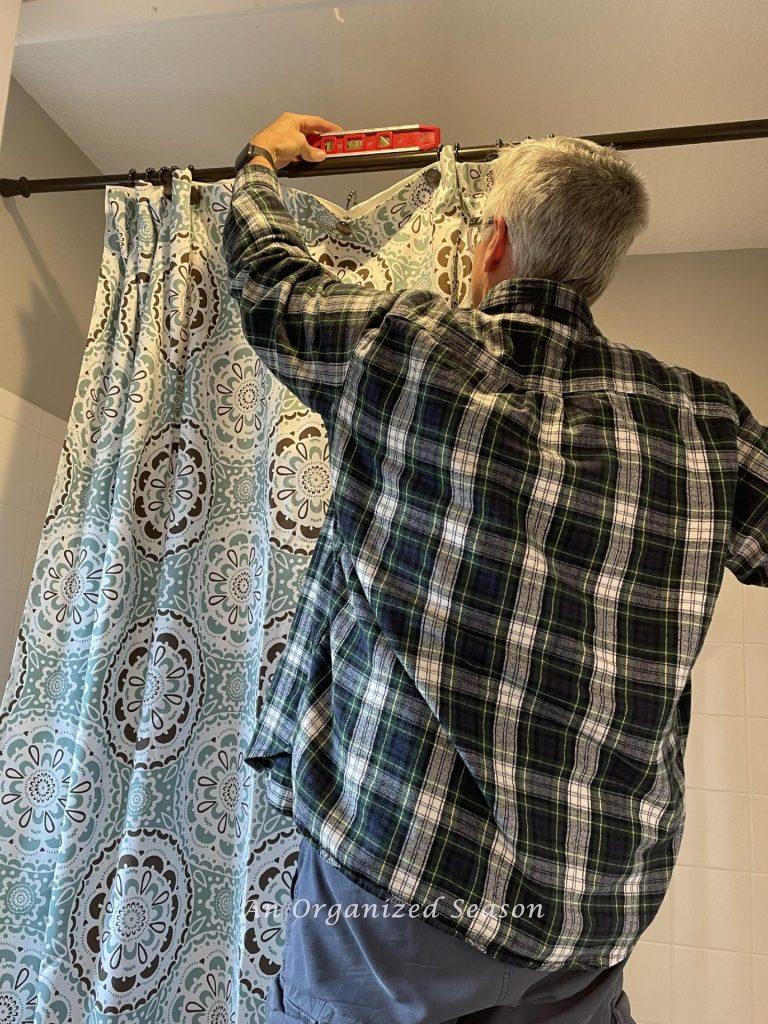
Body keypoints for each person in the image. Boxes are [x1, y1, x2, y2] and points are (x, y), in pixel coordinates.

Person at [223, 112, 768, 1024]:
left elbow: (266, 281)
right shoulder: (708, 421)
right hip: (590, 915)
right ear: (598, 271)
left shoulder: (406, 347)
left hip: (399, 889)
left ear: (496, 242)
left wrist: (261, 164)